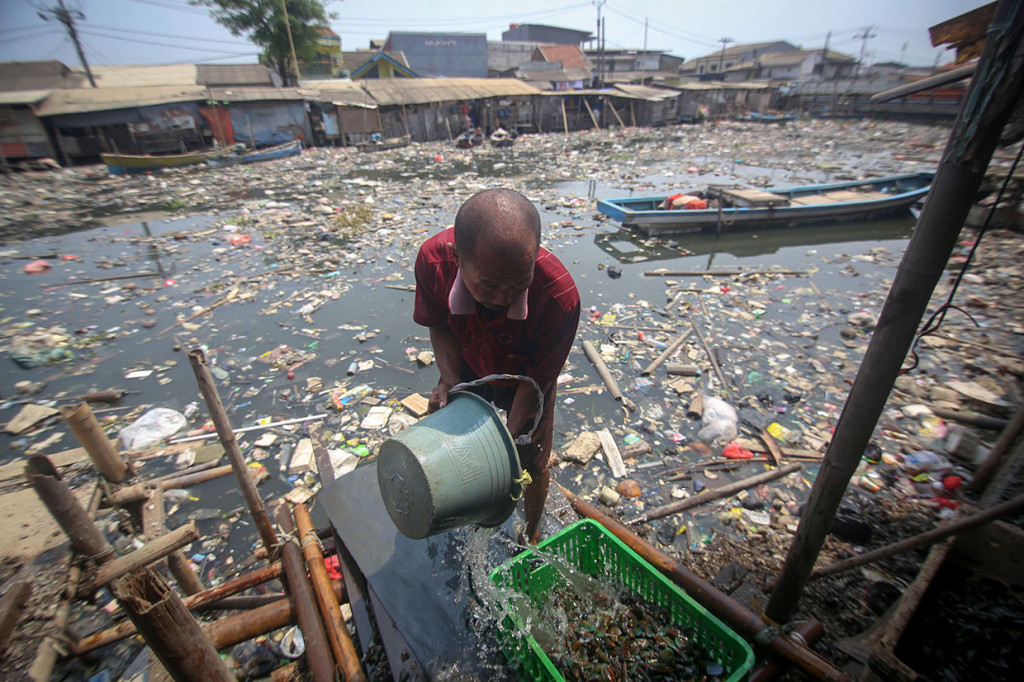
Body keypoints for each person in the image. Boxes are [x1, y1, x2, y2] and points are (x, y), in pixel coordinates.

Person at [413, 188, 580, 545]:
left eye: (518, 283)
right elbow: (439, 325)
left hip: (525, 377)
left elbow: (537, 379)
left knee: (530, 461)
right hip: (467, 358)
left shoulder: (557, 296)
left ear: (535, 257)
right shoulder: (433, 262)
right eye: (488, 284)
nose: (503, 298)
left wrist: (507, 438)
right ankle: (459, 506)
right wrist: (451, 382)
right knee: (452, 440)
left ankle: (531, 533)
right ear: (457, 258)